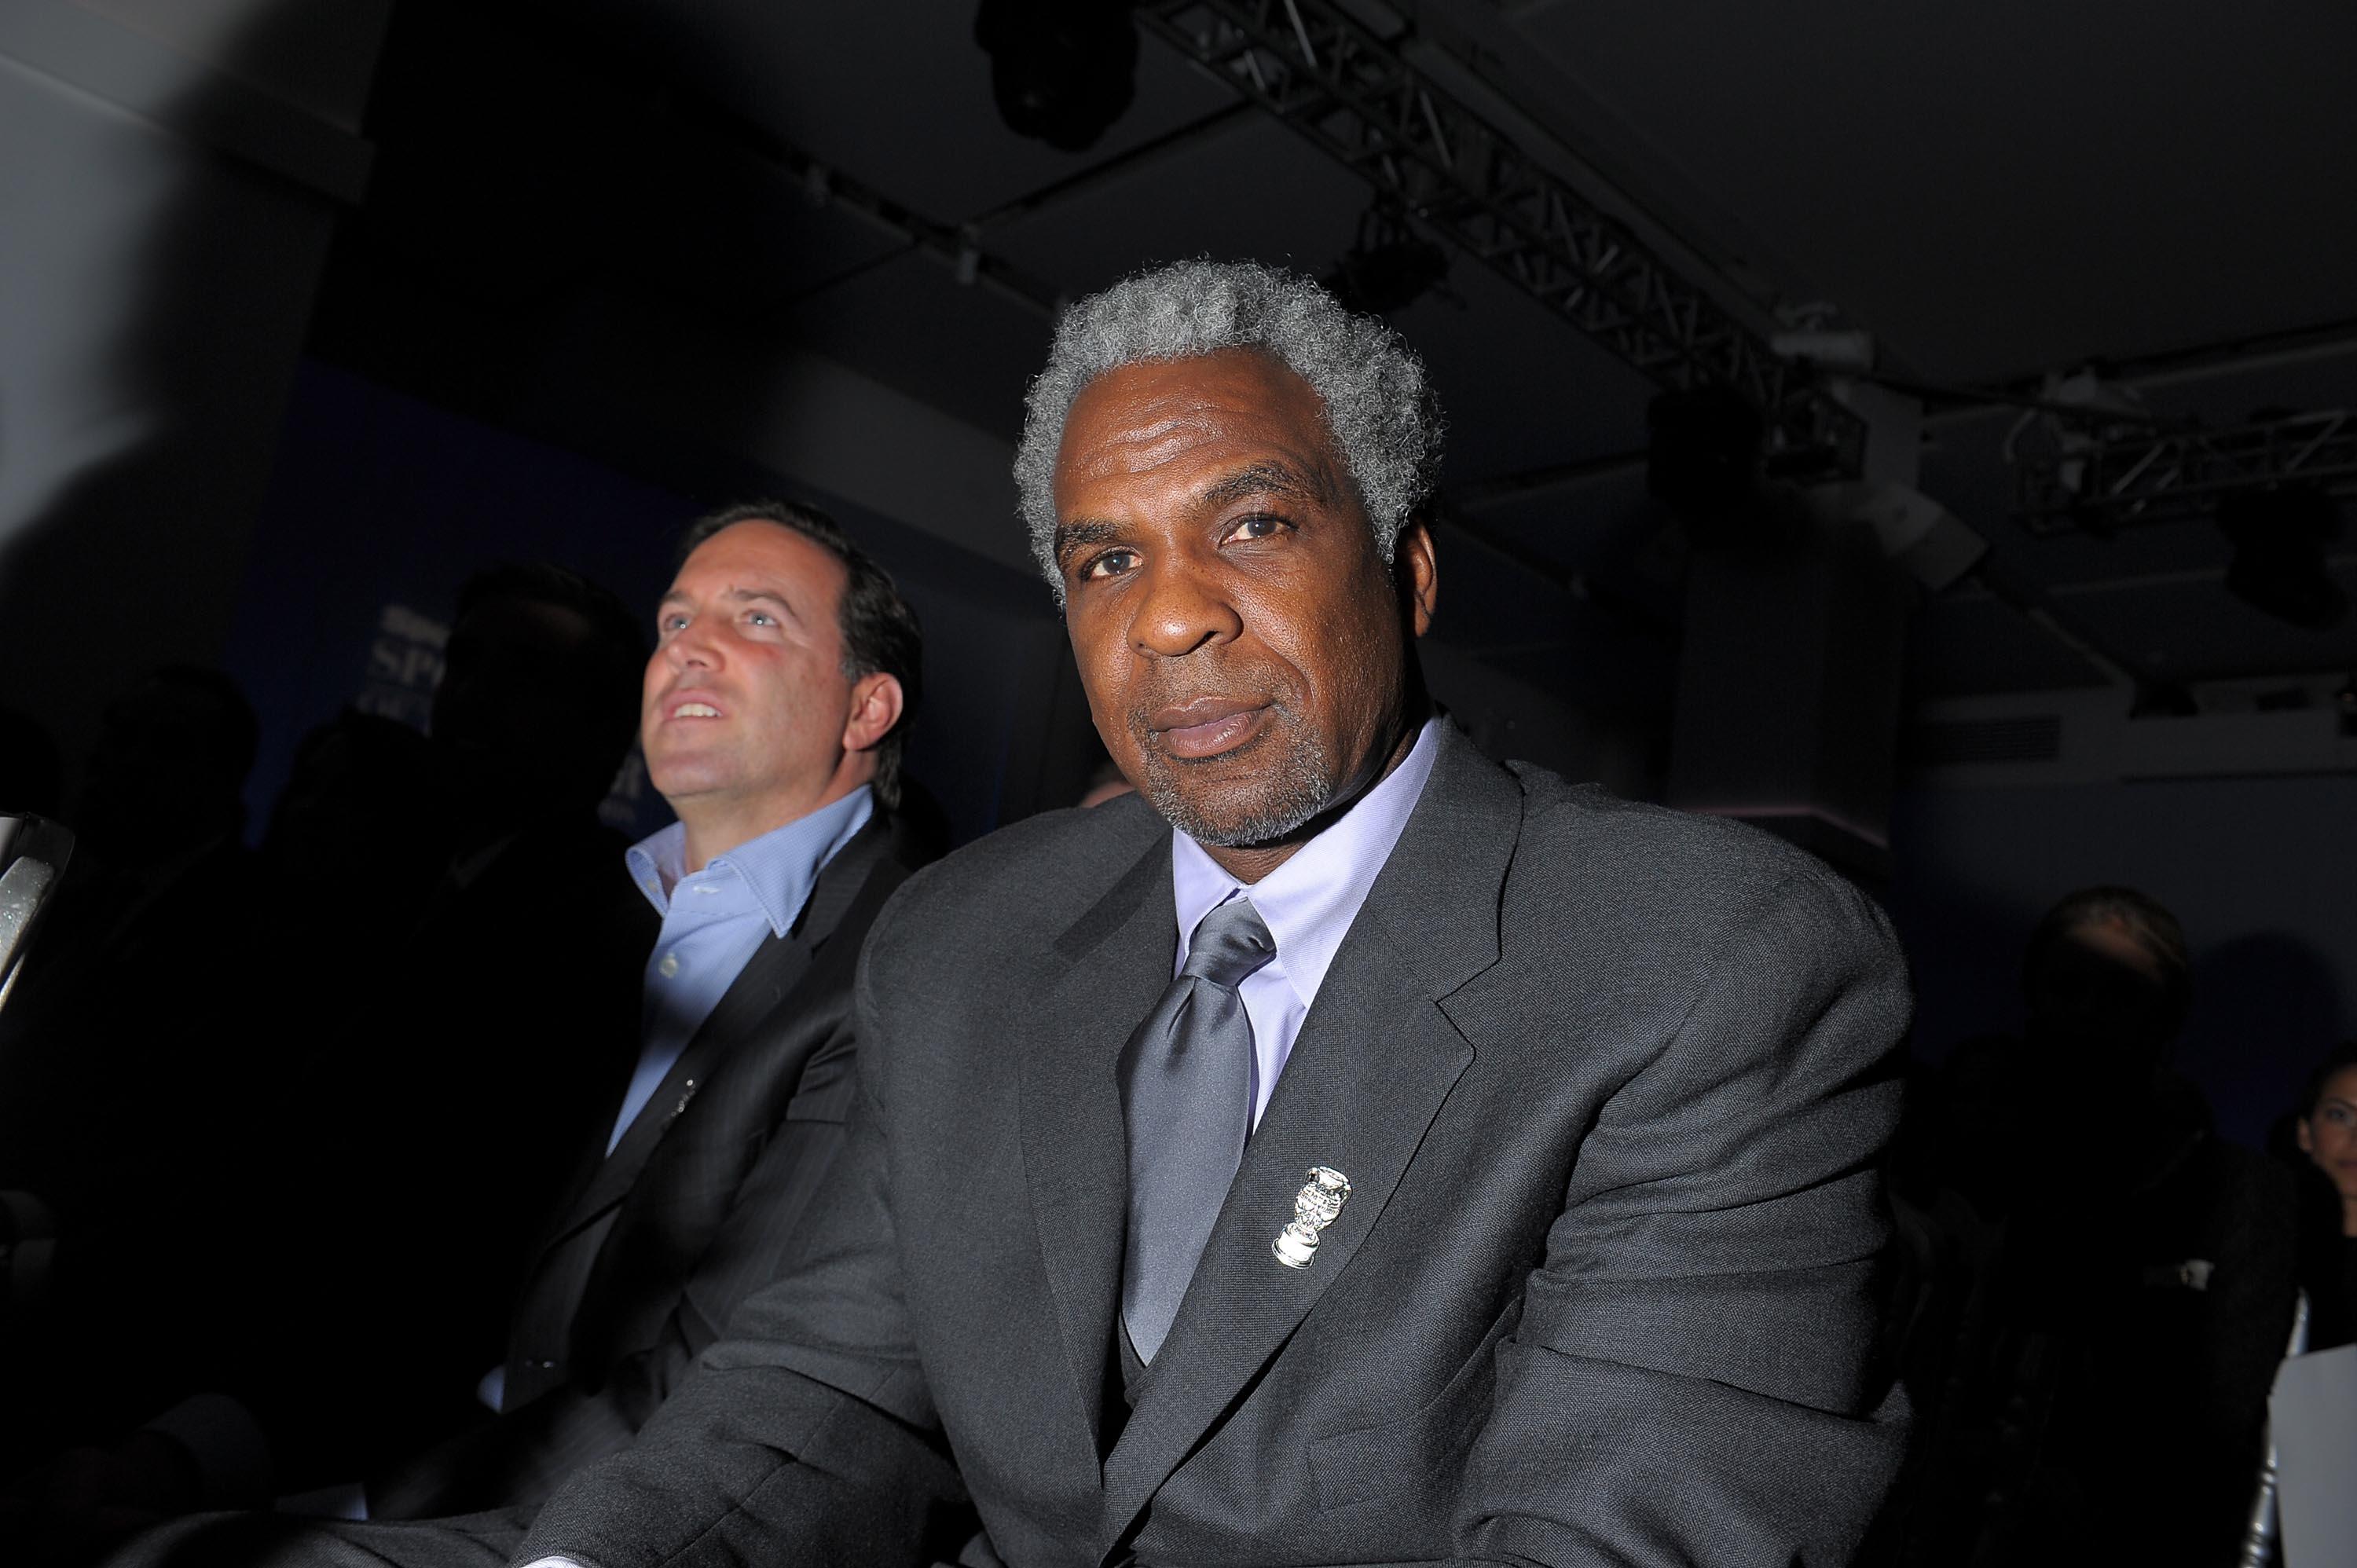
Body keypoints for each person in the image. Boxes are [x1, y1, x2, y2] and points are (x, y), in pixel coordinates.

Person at [125, 259, 1913, 1567]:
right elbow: (819, 1402)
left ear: (1411, 571)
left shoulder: (1709, 963)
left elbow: (1625, 1540)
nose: (1171, 620)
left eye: (1254, 530)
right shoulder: (971, 936)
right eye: (1103, 560)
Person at [1872, 887, 2298, 1568]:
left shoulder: (2239, 1190)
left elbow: (2216, 1419)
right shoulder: (1954, 1155)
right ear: (2033, 994)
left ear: (2168, 1011)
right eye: (2067, 986)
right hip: (1925, 1518)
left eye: (2121, 992)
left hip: (2134, 1534)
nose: (2088, 1014)